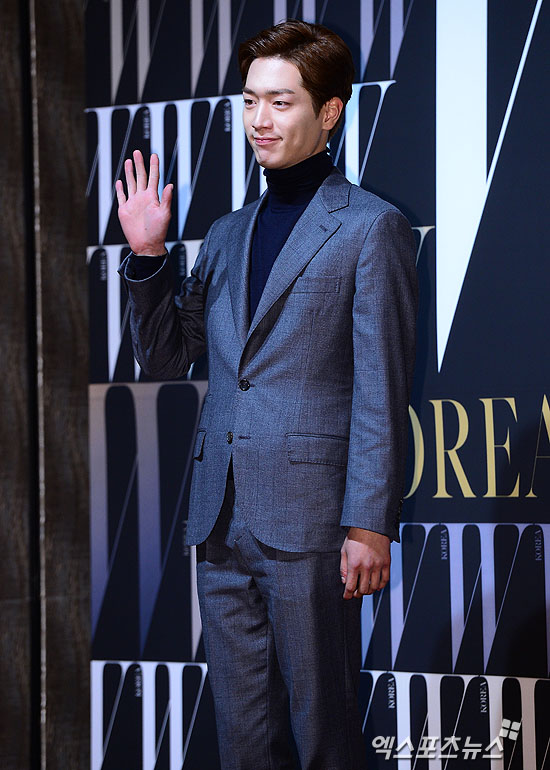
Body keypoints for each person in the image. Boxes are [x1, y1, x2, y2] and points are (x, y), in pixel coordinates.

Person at [116, 19, 417, 770]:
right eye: (250, 101)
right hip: (220, 516)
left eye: (281, 102)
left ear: (330, 111)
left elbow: (381, 387)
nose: (259, 119)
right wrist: (148, 255)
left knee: (323, 733)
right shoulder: (226, 234)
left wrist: (369, 523)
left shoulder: (371, 228)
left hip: (312, 519)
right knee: (244, 738)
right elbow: (167, 357)